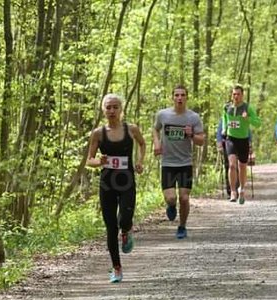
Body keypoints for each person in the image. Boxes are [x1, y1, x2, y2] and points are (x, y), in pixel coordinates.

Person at [87, 94, 146, 283]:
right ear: (103, 110)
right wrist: (99, 161)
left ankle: (127, 230)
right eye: (108, 107)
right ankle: (117, 268)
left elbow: (143, 144)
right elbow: (90, 160)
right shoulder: (98, 133)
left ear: (121, 109)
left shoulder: (131, 129)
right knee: (110, 226)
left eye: (115, 107)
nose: (111, 111)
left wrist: (139, 161)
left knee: (125, 219)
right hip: (107, 183)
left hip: (126, 180)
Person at [152, 85, 205, 239]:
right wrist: (157, 144)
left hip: (185, 163)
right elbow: (155, 129)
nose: (179, 98)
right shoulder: (163, 115)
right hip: (168, 163)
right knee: (171, 198)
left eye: (182, 95)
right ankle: (171, 205)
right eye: (177, 95)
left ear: (186, 97)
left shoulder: (193, 117)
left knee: (184, 198)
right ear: (172, 97)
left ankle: (182, 226)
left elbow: (201, 141)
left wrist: (192, 135)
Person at [220, 85, 262, 204]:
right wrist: (224, 128)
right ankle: (233, 191)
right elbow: (224, 118)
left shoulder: (247, 108)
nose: (236, 96)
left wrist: (247, 118)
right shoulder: (227, 107)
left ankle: (242, 189)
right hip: (230, 139)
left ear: (242, 95)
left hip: (243, 140)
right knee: (232, 165)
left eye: (238, 94)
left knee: (242, 166)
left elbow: (258, 123)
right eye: (234, 94)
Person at [216, 117, 231, 198]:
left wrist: (249, 142)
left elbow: (247, 129)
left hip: (240, 144)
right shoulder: (224, 118)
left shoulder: (241, 116)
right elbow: (219, 132)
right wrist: (219, 143)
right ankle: (230, 190)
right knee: (228, 166)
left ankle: (238, 187)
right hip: (226, 144)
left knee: (239, 166)